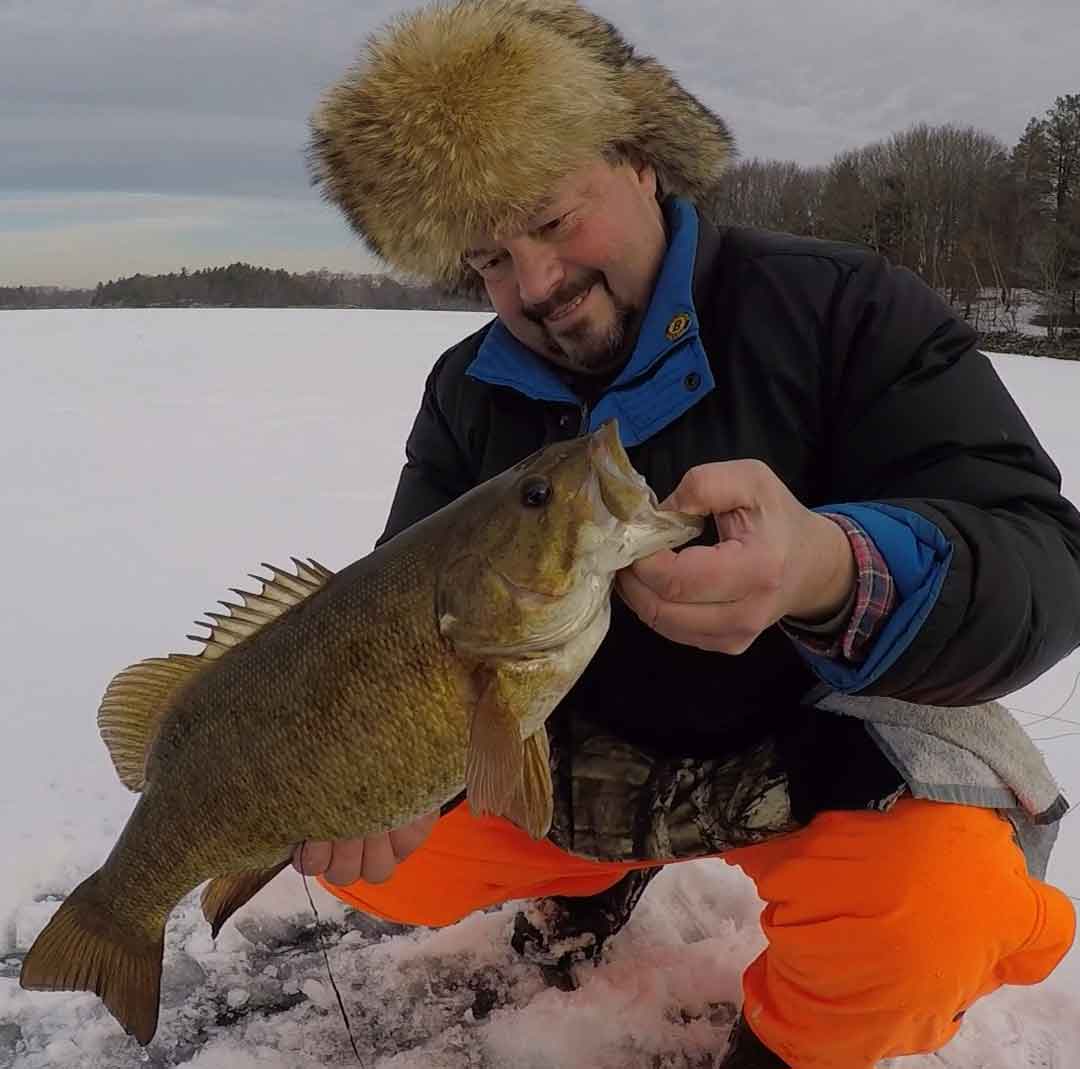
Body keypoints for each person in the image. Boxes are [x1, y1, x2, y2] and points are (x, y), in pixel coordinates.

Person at [293, 2, 1080, 1065]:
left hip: (827, 755)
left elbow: (1040, 553)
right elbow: (411, 627)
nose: (536, 285)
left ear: (640, 159)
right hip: (588, 756)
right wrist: (356, 765)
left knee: (930, 912)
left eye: (554, 219)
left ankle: (807, 1034)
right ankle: (601, 865)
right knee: (376, 851)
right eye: (489, 258)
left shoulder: (844, 308)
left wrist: (832, 570)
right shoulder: (468, 390)